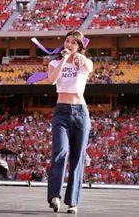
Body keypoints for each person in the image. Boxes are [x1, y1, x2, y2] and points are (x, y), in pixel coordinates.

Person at [47, 30, 93, 214]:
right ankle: (54, 196)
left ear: (79, 46)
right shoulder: (54, 63)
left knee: (78, 157)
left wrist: (80, 58)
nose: (68, 44)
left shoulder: (83, 62)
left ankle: (72, 201)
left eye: (74, 42)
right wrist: (64, 60)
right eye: (67, 41)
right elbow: (52, 80)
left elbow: (90, 66)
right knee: (60, 152)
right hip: (61, 112)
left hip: (81, 112)